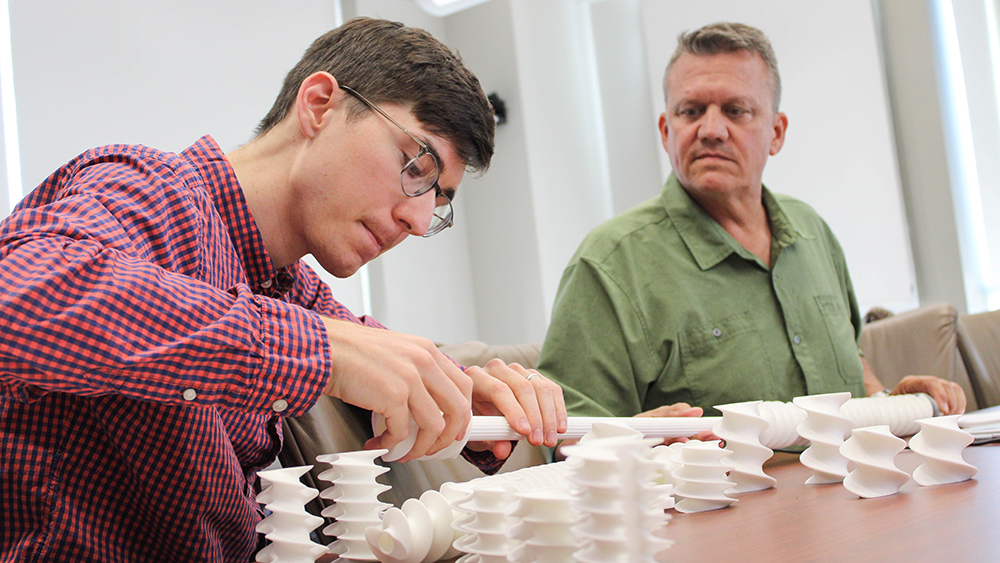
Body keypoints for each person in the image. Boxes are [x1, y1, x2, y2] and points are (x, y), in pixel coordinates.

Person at [0, 17, 566, 562]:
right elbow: (16, 298)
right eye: (416, 166)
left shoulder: (291, 288)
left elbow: (374, 356)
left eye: (437, 200)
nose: (419, 221)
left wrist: (460, 398)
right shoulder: (150, 193)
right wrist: (324, 351)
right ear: (319, 104)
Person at [536, 22, 965, 426]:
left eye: (736, 111)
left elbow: (849, 358)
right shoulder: (610, 265)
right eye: (691, 111)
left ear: (776, 133)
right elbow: (567, 436)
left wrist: (892, 403)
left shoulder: (811, 231)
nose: (711, 130)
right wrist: (636, 441)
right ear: (666, 131)